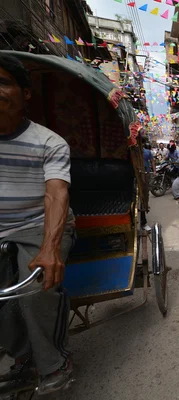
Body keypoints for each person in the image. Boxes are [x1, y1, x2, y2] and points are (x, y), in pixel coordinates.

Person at [0, 54, 75, 394]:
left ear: (24, 93)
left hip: (38, 225)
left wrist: (50, 247)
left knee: (35, 287)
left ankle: (53, 362)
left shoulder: (49, 142)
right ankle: (20, 355)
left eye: (3, 83)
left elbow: (56, 194)